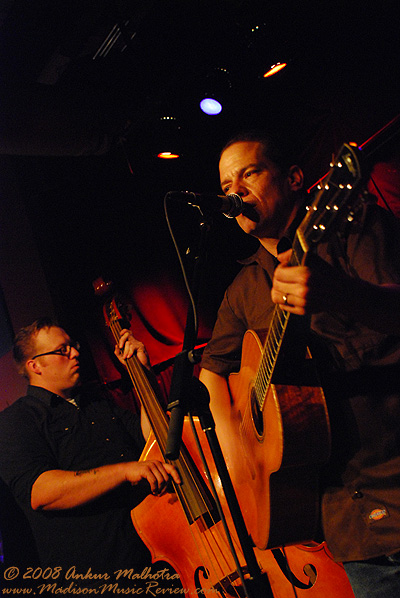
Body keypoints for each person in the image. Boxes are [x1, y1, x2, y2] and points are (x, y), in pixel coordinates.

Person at [198, 130, 400, 598]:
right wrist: (242, 450)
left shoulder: (353, 227)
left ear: (293, 179)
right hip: (346, 519)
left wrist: (344, 294)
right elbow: (211, 372)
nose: (235, 191)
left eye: (248, 173)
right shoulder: (242, 289)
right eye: (227, 184)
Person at [0, 317, 180, 593]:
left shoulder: (97, 403)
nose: (75, 353)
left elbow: (153, 438)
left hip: (157, 560)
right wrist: (124, 471)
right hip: (95, 580)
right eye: (62, 350)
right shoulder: (17, 420)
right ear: (34, 365)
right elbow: (41, 491)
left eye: (74, 345)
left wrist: (142, 374)